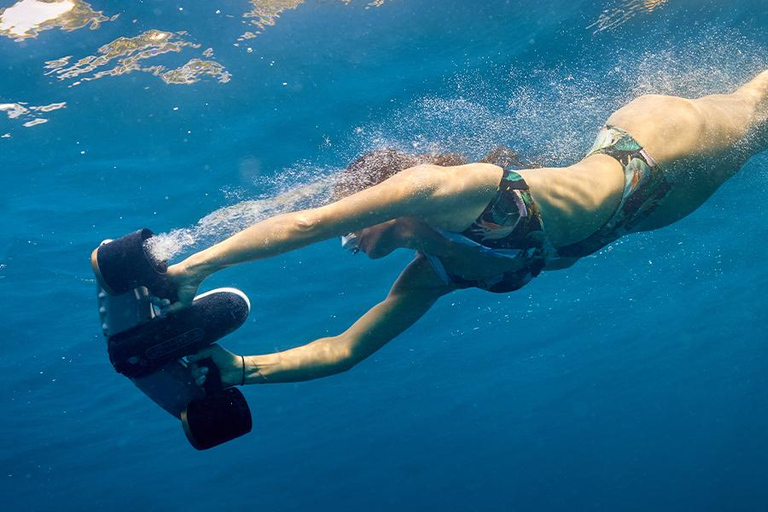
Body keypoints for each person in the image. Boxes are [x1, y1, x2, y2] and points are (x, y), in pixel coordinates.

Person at [165, 69, 768, 388]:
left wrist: (190, 269)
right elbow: (345, 350)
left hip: (653, 149)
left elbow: (307, 223)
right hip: (655, 207)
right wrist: (241, 368)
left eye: (359, 216)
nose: (348, 235)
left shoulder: (454, 192)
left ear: (382, 204)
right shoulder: (434, 272)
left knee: (754, 107)